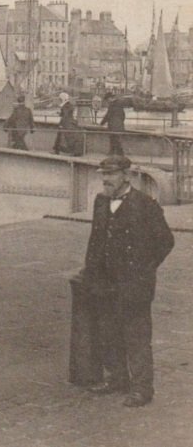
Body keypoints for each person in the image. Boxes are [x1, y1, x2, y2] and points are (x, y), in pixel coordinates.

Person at [79, 155, 173, 407]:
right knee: (109, 332)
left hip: (134, 285)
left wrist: (143, 271)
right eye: (103, 176)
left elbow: (165, 241)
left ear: (126, 176)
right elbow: (96, 240)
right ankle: (118, 379)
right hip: (105, 282)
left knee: (137, 336)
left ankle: (142, 389)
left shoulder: (145, 204)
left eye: (110, 175)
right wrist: (91, 272)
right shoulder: (101, 202)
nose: (105, 180)